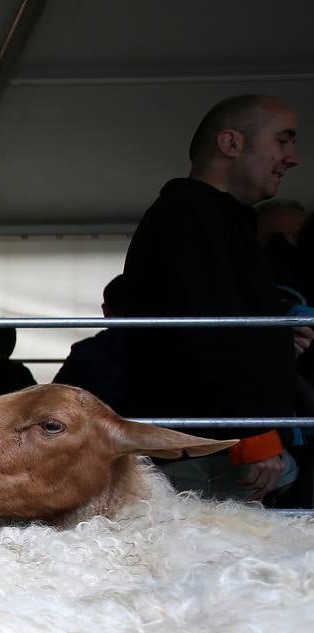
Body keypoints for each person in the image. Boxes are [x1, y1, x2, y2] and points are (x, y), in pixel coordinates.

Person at [122, 94, 301, 502]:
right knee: (212, 558)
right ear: (231, 144)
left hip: (210, 445)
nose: (292, 158)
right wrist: (254, 434)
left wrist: (276, 343)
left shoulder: (213, 217)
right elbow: (208, 332)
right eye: (283, 141)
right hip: (206, 452)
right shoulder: (192, 218)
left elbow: (216, 322)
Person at [52, 275, 134, 414]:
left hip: (101, 433)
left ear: (105, 310)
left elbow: (54, 400)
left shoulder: (85, 352)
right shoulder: (171, 350)